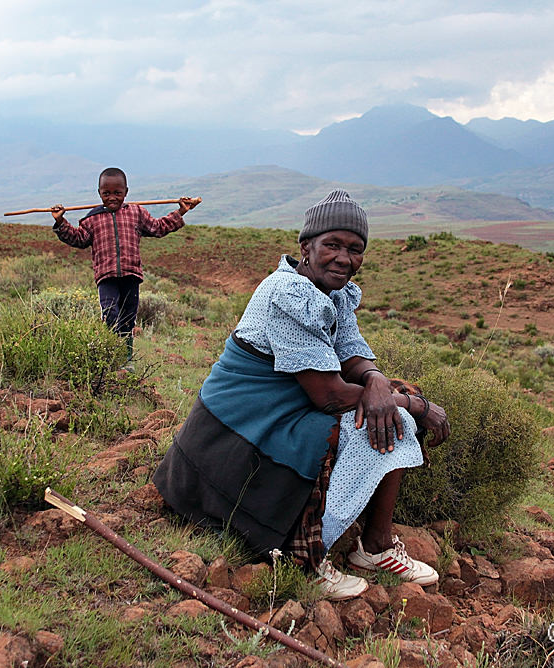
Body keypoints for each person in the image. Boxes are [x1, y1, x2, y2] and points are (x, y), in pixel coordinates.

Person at [153, 189, 450, 600]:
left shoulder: (332, 292)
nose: (344, 258)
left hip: (286, 402)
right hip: (242, 421)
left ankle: (376, 546)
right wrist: (413, 405)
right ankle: (305, 556)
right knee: (363, 424)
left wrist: (379, 381)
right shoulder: (288, 294)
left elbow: (351, 351)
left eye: (355, 249)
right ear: (306, 246)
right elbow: (327, 396)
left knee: (391, 409)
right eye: (332, 245)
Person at [50, 167, 200, 367]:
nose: (112, 197)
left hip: (131, 275)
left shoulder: (136, 213)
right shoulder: (91, 219)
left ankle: (126, 359)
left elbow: (158, 228)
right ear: (99, 193)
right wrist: (60, 221)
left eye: (117, 193)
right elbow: (78, 239)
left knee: (128, 317)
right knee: (110, 314)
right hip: (106, 276)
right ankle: (111, 357)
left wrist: (181, 211)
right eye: (106, 193)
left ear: (126, 192)